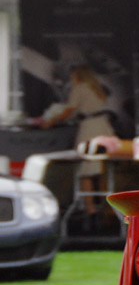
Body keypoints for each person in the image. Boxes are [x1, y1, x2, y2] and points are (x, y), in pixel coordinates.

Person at [42, 64, 116, 215]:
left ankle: (90, 208)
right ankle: (106, 206)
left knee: (86, 169)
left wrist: (51, 121)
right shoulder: (96, 88)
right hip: (104, 127)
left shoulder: (80, 88)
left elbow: (70, 110)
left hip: (89, 129)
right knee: (102, 168)